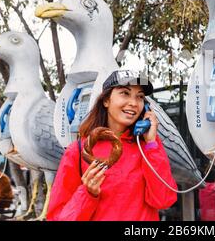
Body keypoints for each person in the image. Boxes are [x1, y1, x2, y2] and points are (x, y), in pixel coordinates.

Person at [47, 70, 178, 221]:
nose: (134, 103)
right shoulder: (77, 151)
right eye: (125, 93)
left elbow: (163, 200)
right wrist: (88, 193)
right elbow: (57, 217)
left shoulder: (148, 146)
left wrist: (151, 145)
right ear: (106, 100)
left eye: (140, 97)